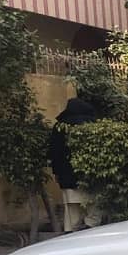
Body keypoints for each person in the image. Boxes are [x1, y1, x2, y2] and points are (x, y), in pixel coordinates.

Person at [48, 98, 101, 231]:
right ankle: (92, 231)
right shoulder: (92, 123)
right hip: (91, 176)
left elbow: (55, 152)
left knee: (72, 212)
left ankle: (72, 236)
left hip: (67, 176)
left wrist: (57, 172)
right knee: (93, 209)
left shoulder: (60, 126)